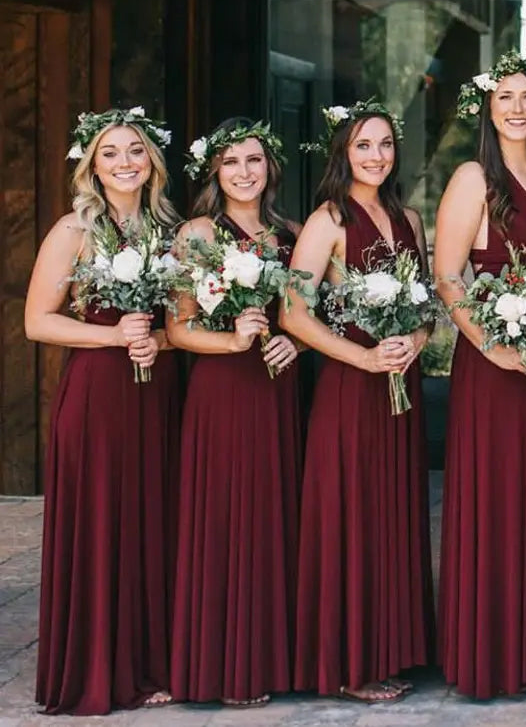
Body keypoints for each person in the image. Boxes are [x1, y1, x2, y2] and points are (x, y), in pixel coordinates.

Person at [434, 49, 526, 698]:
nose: (517, 109)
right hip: (493, 367)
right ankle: (492, 655)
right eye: (505, 99)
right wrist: (491, 345)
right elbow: (449, 275)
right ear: (487, 111)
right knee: (499, 501)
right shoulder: (473, 178)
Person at [25, 107, 181, 715]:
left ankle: (147, 662)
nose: (124, 163)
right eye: (111, 153)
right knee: (101, 524)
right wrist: (115, 338)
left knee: (153, 521)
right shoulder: (74, 229)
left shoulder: (171, 232)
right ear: (92, 165)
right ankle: (95, 672)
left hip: (157, 392)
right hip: (97, 395)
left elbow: (182, 324)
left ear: (152, 163)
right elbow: (37, 321)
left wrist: (159, 341)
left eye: (135, 151)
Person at [283, 100, 434, 703]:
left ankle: (393, 648)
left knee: (393, 512)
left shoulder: (411, 218)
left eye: (386, 145)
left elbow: (425, 306)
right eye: (364, 145)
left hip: (401, 385)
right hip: (350, 386)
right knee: (352, 514)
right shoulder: (328, 219)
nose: (377, 156)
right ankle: (347, 663)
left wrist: (415, 341)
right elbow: (294, 313)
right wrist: (365, 357)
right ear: (343, 153)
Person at [168, 120, 304, 708]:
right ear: (213, 172)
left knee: (276, 517)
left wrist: (294, 342)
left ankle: (272, 658)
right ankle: (225, 665)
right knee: (225, 517)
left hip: (278, 391)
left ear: (270, 168)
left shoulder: (291, 234)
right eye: (231, 163)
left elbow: (304, 317)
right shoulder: (197, 232)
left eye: (254, 160)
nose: (244, 172)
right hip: (222, 390)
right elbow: (177, 327)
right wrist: (231, 341)